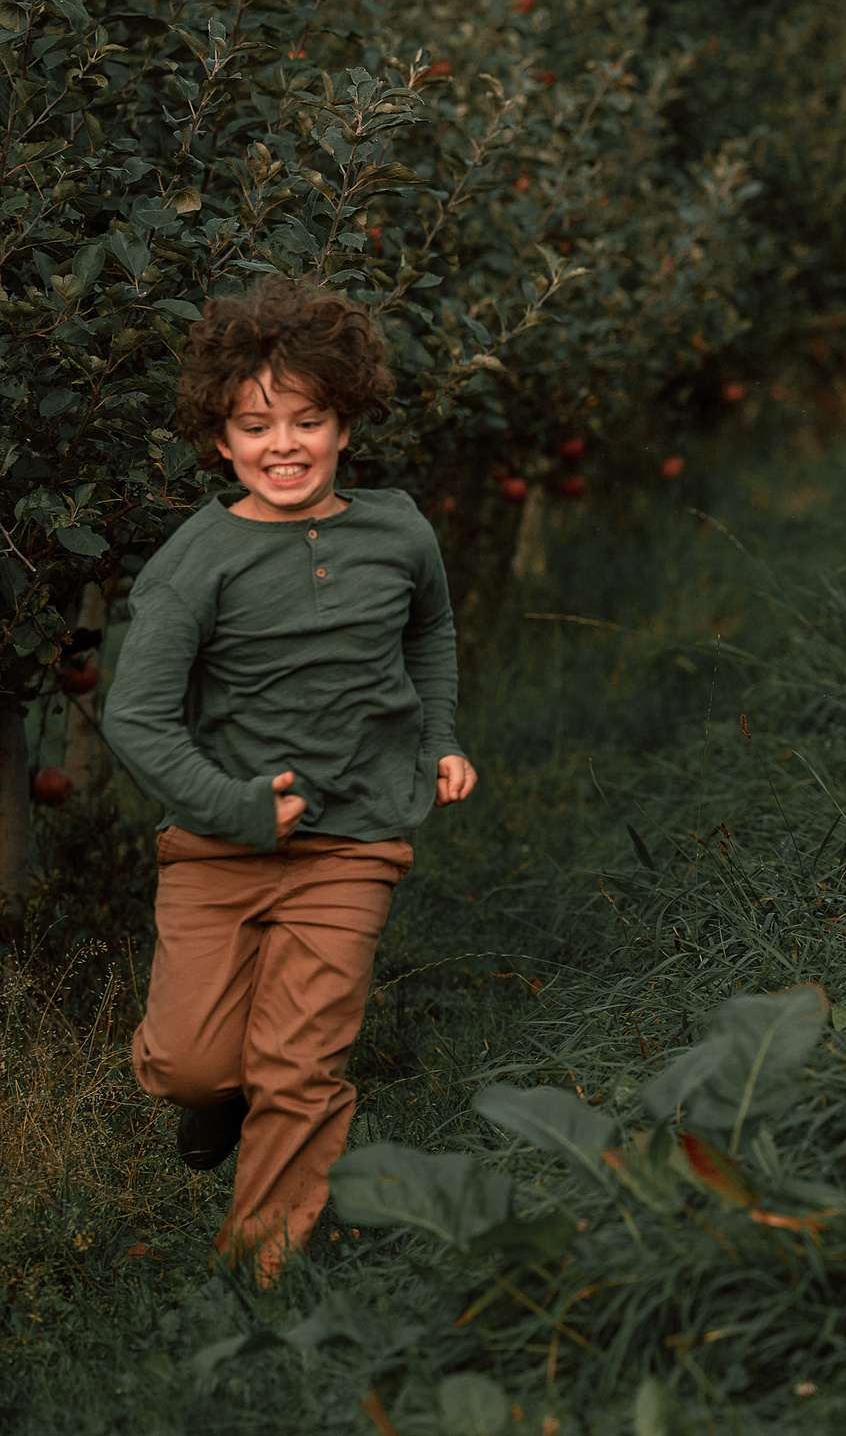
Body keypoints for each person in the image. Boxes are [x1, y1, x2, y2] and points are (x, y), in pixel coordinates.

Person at [102, 278, 476, 1280]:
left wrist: (439, 735)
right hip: (217, 845)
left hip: (353, 838)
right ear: (220, 440)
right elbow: (133, 714)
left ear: (344, 423)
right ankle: (215, 1102)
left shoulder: (400, 533)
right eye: (256, 425)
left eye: (307, 421)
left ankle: (258, 1272)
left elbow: (429, 631)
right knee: (191, 1062)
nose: (283, 445)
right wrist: (233, 804)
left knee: (299, 1066)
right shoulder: (199, 560)